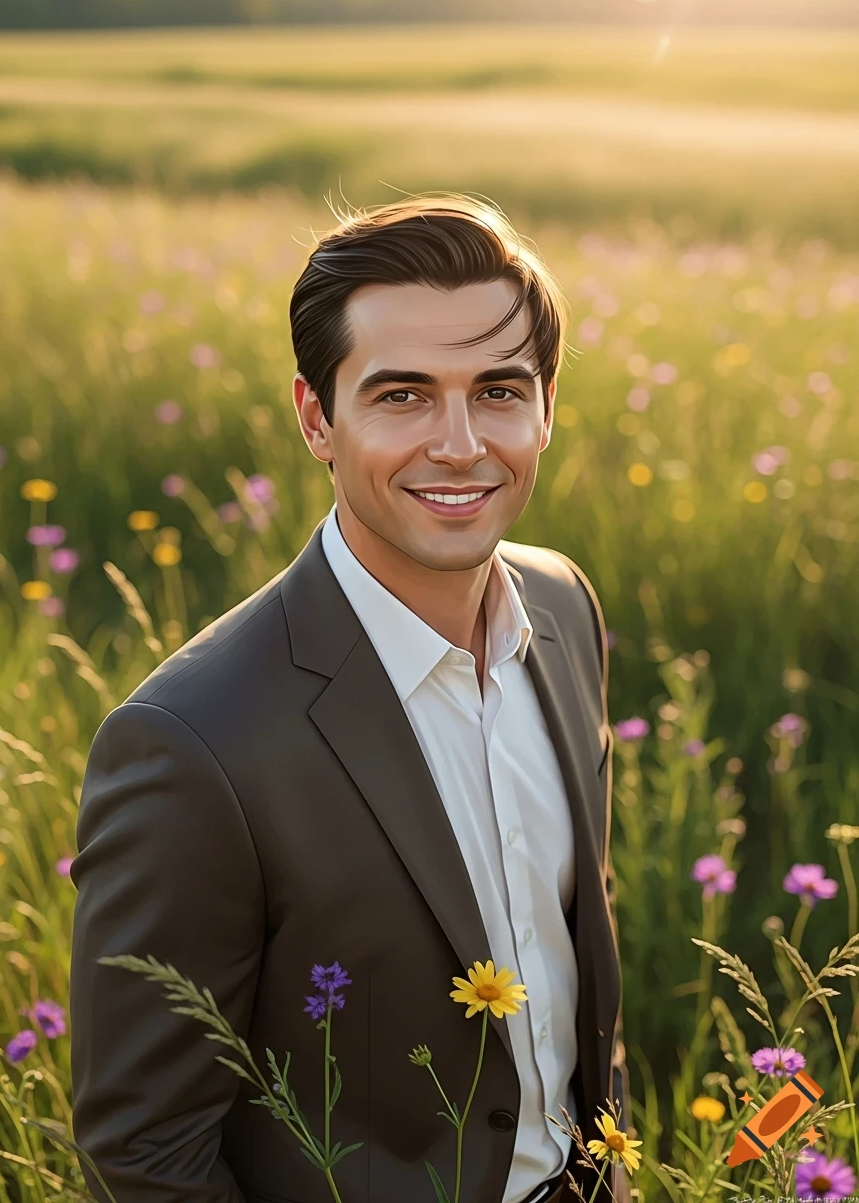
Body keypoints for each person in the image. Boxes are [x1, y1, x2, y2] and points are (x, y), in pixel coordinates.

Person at [69, 193, 633, 1203]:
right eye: (403, 395)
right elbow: (146, 1146)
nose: (459, 444)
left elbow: (569, 951)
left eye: (496, 390)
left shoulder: (561, 605)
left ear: (547, 404)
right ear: (315, 418)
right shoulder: (192, 743)